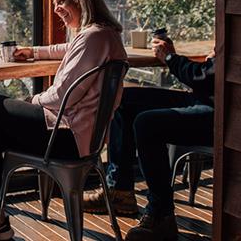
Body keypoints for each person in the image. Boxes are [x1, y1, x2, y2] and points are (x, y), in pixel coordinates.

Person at [0, 0, 127, 241]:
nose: (56, 9)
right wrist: (34, 52)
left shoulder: (92, 38)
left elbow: (62, 96)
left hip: (68, 137)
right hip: (84, 138)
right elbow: (68, 49)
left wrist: (30, 101)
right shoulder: (105, 35)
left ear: (81, 0)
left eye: (61, 1)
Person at [83, 33, 215, 241]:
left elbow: (205, 77)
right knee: (123, 100)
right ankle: (119, 190)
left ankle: (161, 214)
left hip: (220, 113)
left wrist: (170, 58)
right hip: (206, 99)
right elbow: (210, 75)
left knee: (147, 124)